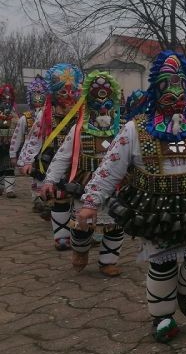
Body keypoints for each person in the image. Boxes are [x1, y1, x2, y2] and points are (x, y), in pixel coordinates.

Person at [74, 52, 186, 342]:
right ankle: (162, 315)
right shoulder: (136, 127)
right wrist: (91, 202)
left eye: (180, 84)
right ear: (156, 87)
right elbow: (111, 166)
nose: (174, 92)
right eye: (167, 84)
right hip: (155, 209)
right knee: (162, 262)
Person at [42, 71, 126, 276]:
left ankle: (108, 262)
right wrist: (50, 180)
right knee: (82, 224)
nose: (102, 105)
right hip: (85, 184)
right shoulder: (79, 129)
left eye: (107, 98)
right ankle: (80, 251)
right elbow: (63, 155)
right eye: (97, 98)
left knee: (116, 224)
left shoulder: (124, 129)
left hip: (117, 184)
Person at [18, 64, 84, 249]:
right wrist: (27, 161)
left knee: (79, 196)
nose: (68, 96)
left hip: (78, 163)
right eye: (63, 92)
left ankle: (81, 233)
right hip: (54, 161)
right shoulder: (46, 114)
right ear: (54, 94)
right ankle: (61, 236)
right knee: (59, 195)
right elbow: (34, 138)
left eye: (71, 91)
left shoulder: (82, 112)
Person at [9, 76, 48, 207]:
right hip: (32, 152)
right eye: (35, 94)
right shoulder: (25, 118)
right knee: (36, 175)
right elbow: (17, 137)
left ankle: (45, 199)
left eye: (41, 93)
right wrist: (13, 155)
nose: (38, 97)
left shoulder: (52, 116)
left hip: (47, 151)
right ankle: (37, 200)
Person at [0, 83, 18, 198]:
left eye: (9, 97)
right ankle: (1, 187)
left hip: (10, 142)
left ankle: (9, 189)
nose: (7, 99)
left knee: (9, 165)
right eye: (4, 97)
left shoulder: (14, 111)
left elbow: (17, 124)